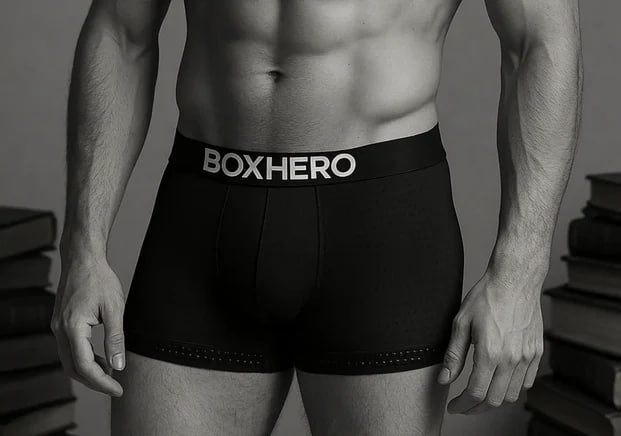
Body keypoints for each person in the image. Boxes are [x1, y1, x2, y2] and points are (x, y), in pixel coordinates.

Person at [51, 0, 583, 434]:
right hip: (202, 222)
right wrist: (83, 248)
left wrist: (519, 274)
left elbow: (541, 39)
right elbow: (120, 32)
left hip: (378, 229)